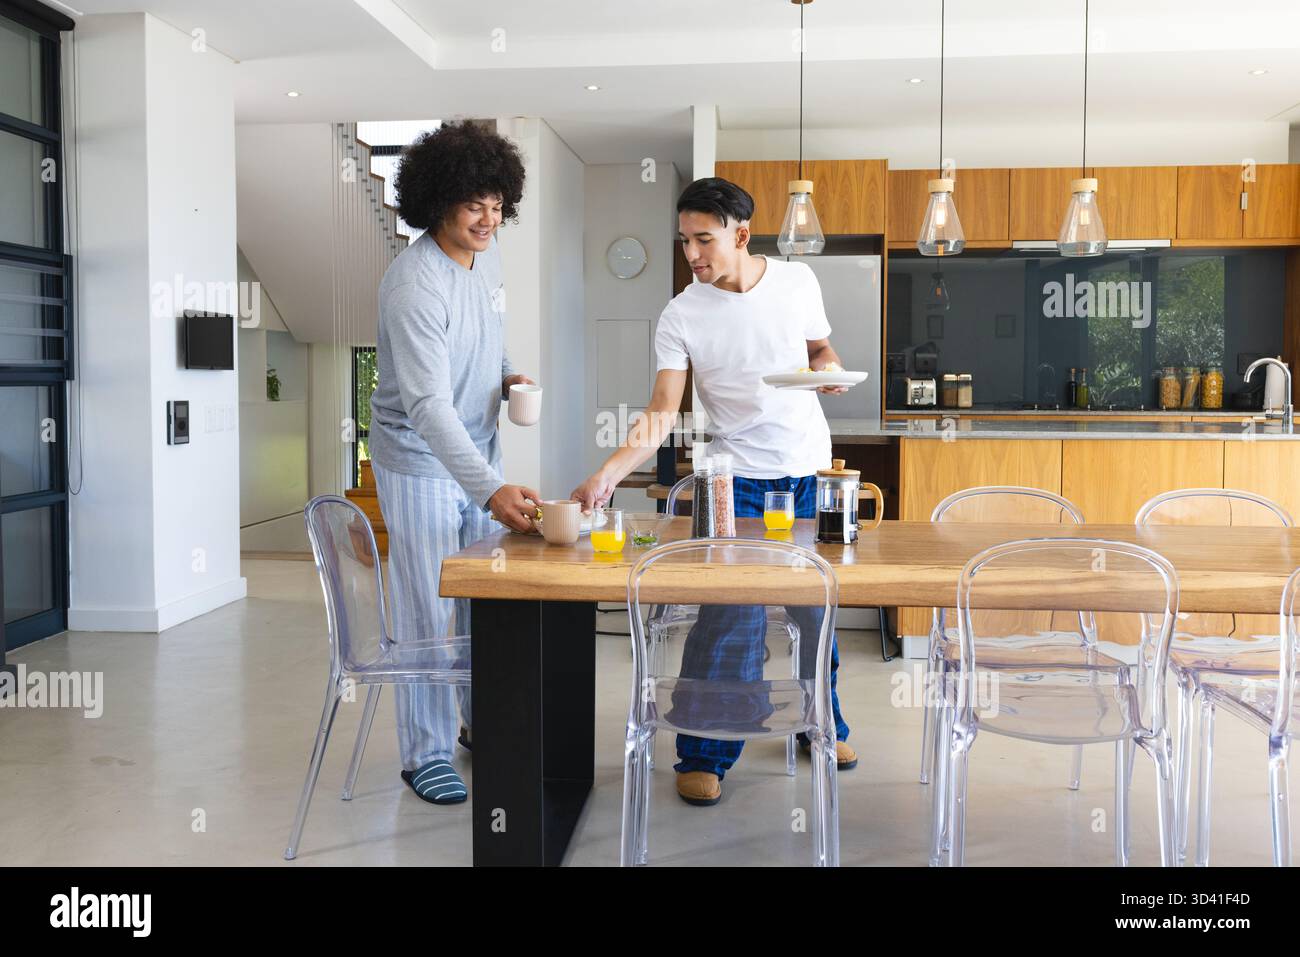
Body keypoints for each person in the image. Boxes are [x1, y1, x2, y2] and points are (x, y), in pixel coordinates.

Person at [571, 177, 856, 807]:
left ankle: (821, 724)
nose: (693, 253)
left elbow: (820, 348)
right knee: (731, 618)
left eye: (704, 239)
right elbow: (662, 408)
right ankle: (705, 749)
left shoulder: (796, 283)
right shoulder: (683, 312)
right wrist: (611, 471)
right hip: (734, 480)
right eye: (685, 241)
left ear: (741, 234)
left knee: (819, 610)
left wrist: (829, 369)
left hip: (808, 470)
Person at [368, 121, 539, 805]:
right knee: (429, 605)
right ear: (437, 200)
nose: (488, 219)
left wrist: (508, 375)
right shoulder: (414, 284)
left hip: (476, 452)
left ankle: (473, 721)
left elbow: (486, 338)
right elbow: (429, 405)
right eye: (474, 204)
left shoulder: (485, 260)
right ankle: (424, 752)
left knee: (480, 603)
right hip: (417, 461)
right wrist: (493, 488)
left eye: (497, 205)